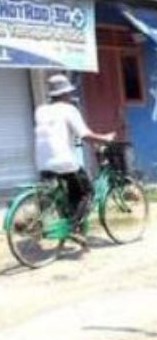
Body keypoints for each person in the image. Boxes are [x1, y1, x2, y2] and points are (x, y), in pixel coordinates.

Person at [34, 74, 116, 247]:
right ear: (64, 94)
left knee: (72, 192)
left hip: (42, 162)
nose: (70, 96)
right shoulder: (69, 110)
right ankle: (73, 228)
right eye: (69, 93)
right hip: (63, 162)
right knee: (87, 192)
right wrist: (105, 138)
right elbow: (85, 135)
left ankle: (68, 225)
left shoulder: (40, 110)